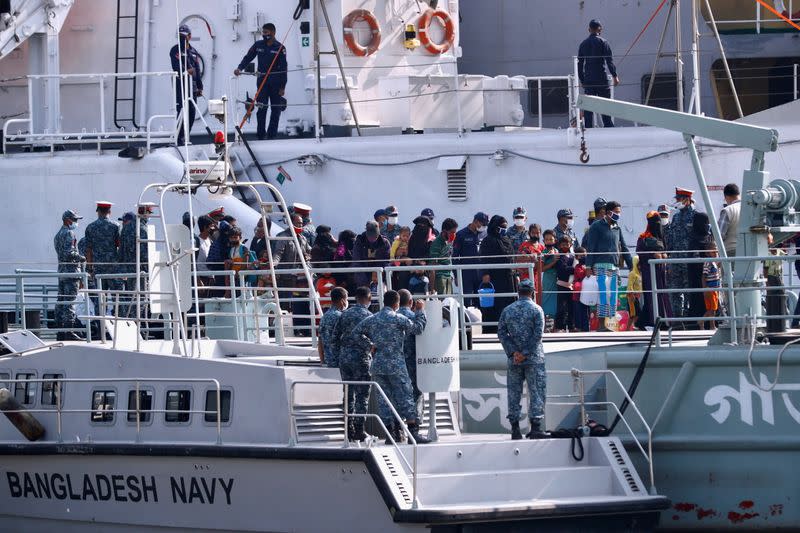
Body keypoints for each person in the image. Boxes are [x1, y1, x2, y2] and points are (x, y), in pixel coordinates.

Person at [352, 290, 428, 444]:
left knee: (384, 400)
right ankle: (413, 434)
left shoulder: (372, 319)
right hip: (396, 365)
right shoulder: (398, 318)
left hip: (378, 365)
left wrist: (370, 345)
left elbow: (355, 333)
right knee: (406, 397)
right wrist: (420, 311)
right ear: (396, 304)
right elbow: (418, 329)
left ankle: (391, 435)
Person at [497, 278, 547, 440]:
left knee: (514, 393)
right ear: (532, 292)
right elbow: (538, 334)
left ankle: (515, 429)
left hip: (515, 361)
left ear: (518, 291)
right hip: (534, 359)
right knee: (536, 392)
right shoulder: (537, 310)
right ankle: (536, 428)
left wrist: (514, 353)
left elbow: (502, 333)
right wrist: (525, 352)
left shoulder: (508, 310)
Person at [333, 286, 374, 441]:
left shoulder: (344, 315)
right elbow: (374, 341)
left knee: (348, 394)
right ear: (369, 299)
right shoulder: (369, 316)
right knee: (362, 395)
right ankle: (359, 430)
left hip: (345, 359)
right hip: (362, 359)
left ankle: (348, 428)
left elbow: (334, 337)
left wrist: (342, 352)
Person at [234, 23, 287, 140]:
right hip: (262, 81)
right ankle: (261, 135)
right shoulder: (258, 45)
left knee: (275, 110)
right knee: (261, 108)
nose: (264, 35)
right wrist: (240, 68)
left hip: (276, 83)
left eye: (266, 33)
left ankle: (271, 135)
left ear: (273, 33)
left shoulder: (280, 48)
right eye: (263, 32)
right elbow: (248, 57)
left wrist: (283, 87)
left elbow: (284, 69)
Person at [585, 200, 627, 330]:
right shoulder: (596, 226)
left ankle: (609, 323)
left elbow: (624, 247)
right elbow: (590, 247)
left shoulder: (617, 228)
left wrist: (632, 265)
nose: (619, 214)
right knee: (602, 295)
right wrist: (588, 266)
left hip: (614, 266)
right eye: (617, 212)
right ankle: (601, 325)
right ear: (609, 212)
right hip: (600, 266)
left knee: (612, 296)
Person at [577, 19, 619, 128]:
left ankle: (588, 129)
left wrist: (582, 80)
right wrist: (615, 76)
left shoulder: (583, 44)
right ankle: (609, 128)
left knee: (589, 109)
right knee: (605, 107)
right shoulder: (603, 42)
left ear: (589, 29)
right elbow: (609, 61)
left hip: (589, 80)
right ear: (599, 29)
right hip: (601, 79)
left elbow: (580, 64)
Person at [479, 215, 516, 333]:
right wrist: (485, 273)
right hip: (494, 277)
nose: (504, 229)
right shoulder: (488, 240)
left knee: (509, 303)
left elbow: (511, 256)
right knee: (494, 305)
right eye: (502, 227)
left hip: (508, 277)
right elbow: (483, 259)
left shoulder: (506, 239)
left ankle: (509, 328)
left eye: (506, 227)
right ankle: (493, 329)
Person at [637, 211, 672, 328]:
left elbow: (667, 250)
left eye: (658, 222)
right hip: (649, 272)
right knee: (651, 296)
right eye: (653, 222)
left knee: (662, 295)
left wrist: (665, 255)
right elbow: (640, 252)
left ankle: (665, 321)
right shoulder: (643, 237)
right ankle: (652, 321)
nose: (656, 225)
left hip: (661, 272)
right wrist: (652, 254)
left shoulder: (662, 236)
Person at [53, 209, 85, 340]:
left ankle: (60, 331)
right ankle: (69, 331)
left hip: (62, 272)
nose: (76, 222)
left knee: (61, 301)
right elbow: (69, 253)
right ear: (68, 220)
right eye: (75, 220)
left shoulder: (58, 234)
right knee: (70, 302)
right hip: (71, 272)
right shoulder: (69, 233)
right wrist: (82, 258)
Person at [84, 201, 121, 313]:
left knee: (100, 299)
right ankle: (118, 324)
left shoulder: (90, 227)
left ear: (98, 211)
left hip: (98, 268)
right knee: (117, 298)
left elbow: (88, 250)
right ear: (109, 211)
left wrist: (89, 268)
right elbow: (120, 246)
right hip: (113, 268)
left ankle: (100, 326)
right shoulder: (116, 226)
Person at [666, 187, 696, 320]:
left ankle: (690, 318)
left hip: (689, 261)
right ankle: (677, 319)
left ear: (687, 200)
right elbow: (670, 239)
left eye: (679, 199)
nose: (677, 202)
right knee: (674, 291)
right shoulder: (676, 217)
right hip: (675, 260)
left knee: (690, 290)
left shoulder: (696, 216)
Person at [171, 25, 203, 145]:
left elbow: (197, 70)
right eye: (179, 36)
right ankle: (178, 138)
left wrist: (200, 86)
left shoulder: (193, 51)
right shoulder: (176, 49)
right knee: (181, 111)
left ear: (189, 36)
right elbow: (176, 65)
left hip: (192, 86)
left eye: (184, 36)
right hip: (181, 84)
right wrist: (185, 71)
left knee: (191, 112)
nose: (182, 38)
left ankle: (185, 136)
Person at [454, 212, 489, 307]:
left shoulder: (484, 235)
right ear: (476, 221)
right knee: (466, 301)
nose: (484, 227)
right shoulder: (461, 234)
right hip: (466, 273)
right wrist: (456, 275)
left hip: (480, 273)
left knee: (480, 302)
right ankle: (466, 321)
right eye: (483, 224)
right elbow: (455, 256)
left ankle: (480, 321)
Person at [397, 289, 423, 410]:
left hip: (395, 361)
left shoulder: (392, 316)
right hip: (413, 361)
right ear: (411, 302)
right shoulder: (414, 317)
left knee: (397, 391)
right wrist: (420, 311)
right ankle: (414, 423)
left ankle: (398, 423)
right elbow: (420, 328)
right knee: (416, 391)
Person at [687, 211, 713, 321]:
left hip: (708, 274)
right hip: (698, 275)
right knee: (698, 297)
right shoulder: (696, 239)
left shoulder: (706, 237)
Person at [352, 221, 391, 289]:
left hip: (379, 274)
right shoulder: (359, 241)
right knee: (363, 292)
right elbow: (356, 261)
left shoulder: (385, 243)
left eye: (375, 237)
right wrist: (364, 281)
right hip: (363, 273)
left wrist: (378, 273)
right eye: (370, 237)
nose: (372, 239)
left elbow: (387, 261)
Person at [318, 287, 348, 368]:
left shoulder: (324, 317)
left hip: (328, 361)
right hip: (341, 361)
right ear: (342, 300)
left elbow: (320, 341)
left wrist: (322, 361)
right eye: (346, 299)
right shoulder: (341, 316)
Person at [429, 218, 458, 294]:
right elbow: (433, 266)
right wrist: (432, 289)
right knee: (443, 304)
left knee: (449, 303)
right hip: (440, 278)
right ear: (444, 231)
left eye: (455, 232)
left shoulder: (449, 241)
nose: (454, 235)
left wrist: (452, 275)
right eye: (452, 232)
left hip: (448, 276)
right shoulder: (436, 244)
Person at [554, 236, 575, 332]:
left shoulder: (572, 257)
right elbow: (563, 269)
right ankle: (560, 327)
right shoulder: (559, 257)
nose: (565, 246)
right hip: (562, 285)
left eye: (567, 244)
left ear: (570, 244)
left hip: (570, 286)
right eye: (563, 244)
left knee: (571, 307)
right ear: (559, 245)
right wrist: (574, 270)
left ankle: (571, 326)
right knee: (561, 307)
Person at [540, 229, 559, 323]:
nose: (549, 241)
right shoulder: (543, 253)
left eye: (551, 239)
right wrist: (554, 261)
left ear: (555, 240)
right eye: (546, 239)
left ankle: (555, 325)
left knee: (557, 302)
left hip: (557, 279)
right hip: (548, 278)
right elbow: (542, 269)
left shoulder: (557, 251)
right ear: (543, 241)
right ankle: (546, 322)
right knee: (547, 300)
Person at [718, 183, 741, 258]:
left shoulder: (727, 210)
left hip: (731, 251)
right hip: (750, 252)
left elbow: (720, 235)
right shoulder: (750, 209)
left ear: (726, 196)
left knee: (730, 270)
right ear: (739, 194)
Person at [702, 244, 721, 331]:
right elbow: (703, 276)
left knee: (713, 308)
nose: (715, 252)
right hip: (710, 288)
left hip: (716, 288)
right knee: (712, 308)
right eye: (713, 251)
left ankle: (701, 321)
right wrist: (705, 289)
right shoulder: (708, 262)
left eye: (716, 250)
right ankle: (712, 326)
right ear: (707, 253)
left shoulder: (715, 262)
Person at [572, 246, 590, 332]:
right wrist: (587, 270)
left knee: (585, 311)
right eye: (581, 256)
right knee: (578, 311)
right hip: (578, 294)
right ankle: (578, 327)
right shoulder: (577, 267)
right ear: (576, 257)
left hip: (586, 292)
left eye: (584, 255)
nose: (583, 257)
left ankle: (586, 328)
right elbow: (581, 275)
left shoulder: (587, 266)